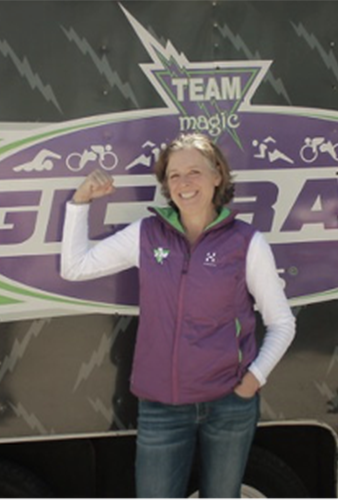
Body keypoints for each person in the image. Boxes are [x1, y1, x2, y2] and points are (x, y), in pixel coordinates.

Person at [61, 132, 295, 500]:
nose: (184, 183)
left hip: (228, 405)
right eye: (173, 176)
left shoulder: (246, 242)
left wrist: (252, 381)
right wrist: (79, 203)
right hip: (161, 407)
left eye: (194, 172)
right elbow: (74, 267)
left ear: (218, 175)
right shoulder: (147, 234)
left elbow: (282, 322)